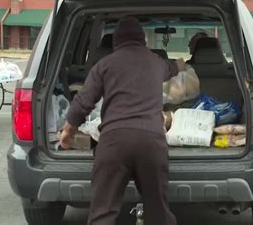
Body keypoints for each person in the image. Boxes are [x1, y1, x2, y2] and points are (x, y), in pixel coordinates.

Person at [59, 17, 185, 225]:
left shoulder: (104, 65)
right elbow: (173, 68)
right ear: (143, 40)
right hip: (151, 143)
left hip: (114, 143)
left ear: (116, 41)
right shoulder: (156, 62)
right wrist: (181, 64)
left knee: (103, 213)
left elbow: (84, 101)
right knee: (158, 212)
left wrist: (67, 132)